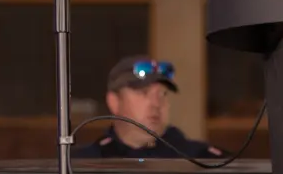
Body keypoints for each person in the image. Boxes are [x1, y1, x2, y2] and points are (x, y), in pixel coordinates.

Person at [73, 56, 224, 160]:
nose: (156, 104)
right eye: (144, 93)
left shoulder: (201, 159)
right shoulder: (84, 163)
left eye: (162, 94)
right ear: (114, 102)